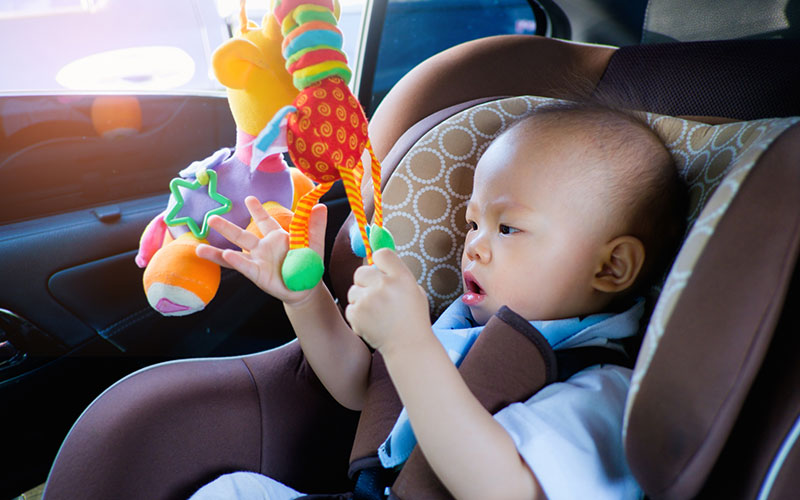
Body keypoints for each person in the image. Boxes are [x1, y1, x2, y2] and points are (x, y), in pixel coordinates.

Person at [190, 101, 687, 499]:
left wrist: (408, 345)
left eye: (507, 227)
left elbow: (501, 488)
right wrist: (304, 300)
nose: (474, 244)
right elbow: (363, 390)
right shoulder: (464, 331)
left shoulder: (603, 389)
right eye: (474, 223)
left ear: (611, 267)